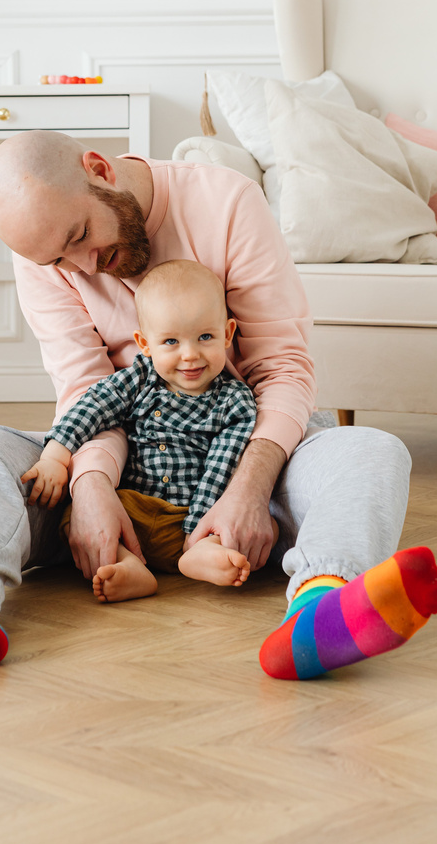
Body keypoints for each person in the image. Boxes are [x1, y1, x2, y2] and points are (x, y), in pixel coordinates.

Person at [0, 131, 437, 678]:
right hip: (118, 466)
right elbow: (88, 391)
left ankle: (319, 615)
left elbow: (280, 366)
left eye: (82, 236)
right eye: (59, 260)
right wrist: (90, 488)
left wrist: (249, 490)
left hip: (242, 452)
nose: (84, 268)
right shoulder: (46, 254)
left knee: (372, 450)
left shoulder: (224, 201)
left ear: (100, 169)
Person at [22, 258, 278, 602]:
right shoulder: (140, 378)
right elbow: (94, 405)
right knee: (76, 509)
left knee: (260, 525)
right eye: (171, 341)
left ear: (228, 334)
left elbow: (221, 468)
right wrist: (56, 454)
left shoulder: (235, 401)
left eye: (205, 337)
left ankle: (200, 556)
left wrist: (195, 534)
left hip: (194, 515)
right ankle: (129, 565)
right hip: (132, 513)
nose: (190, 355)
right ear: (145, 344)